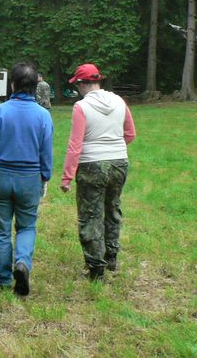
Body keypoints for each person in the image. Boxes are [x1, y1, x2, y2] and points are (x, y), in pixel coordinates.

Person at [0, 63, 53, 296]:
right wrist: (45, 177)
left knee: (0, 231)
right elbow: (46, 151)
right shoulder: (43, 115)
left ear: (12, 85)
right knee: (27, 226)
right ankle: (22, 263)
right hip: (29, 179)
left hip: (0, 177)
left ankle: (3, 279)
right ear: (36, 86)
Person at [60, 63, 136, 282]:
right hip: (119, 162)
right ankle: (111, 256)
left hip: (91, 165)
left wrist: (67, 177)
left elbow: (75, 145)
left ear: (82, 84)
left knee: (90, 215)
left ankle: (96, 269)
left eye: (77, 85)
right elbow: (130, 134)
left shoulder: (81, 107)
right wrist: (113, 149)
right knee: (112, 208)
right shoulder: (119, 101)